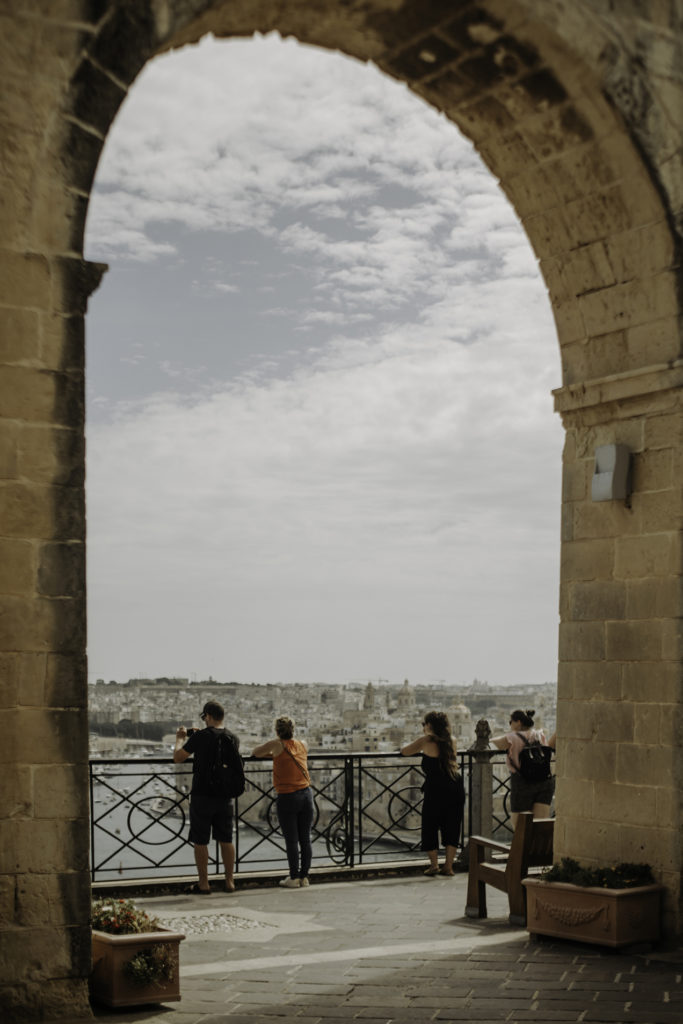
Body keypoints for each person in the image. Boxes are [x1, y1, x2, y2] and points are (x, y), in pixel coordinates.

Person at [173, 700, 240, 894]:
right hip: (226, 795)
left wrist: (180, 738)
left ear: (208, 716)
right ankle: (229, 882)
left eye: (204, 717)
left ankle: (204, 884)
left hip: (202, 794)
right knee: (226, 838)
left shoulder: (201, 737)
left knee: (200, 840)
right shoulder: (232, 737)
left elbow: (178, 757)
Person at [400, 711, 465, 876]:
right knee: (452, 825)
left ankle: (434, 865)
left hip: (436, 788)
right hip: (455, 785)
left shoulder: (426, 741)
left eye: (424, 724)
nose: (423, 727)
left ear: (430, 726)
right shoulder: (452, 740)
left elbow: (404, 751)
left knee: (430, 825)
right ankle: (448, 866)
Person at [252, 717, 314, 889]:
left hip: (288, 796)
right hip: (307, 794)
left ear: (277, 730)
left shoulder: (276, 745)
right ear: (293, 730)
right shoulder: (303, 744)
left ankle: (293, 877)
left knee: (292, 840)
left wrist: (272, 754)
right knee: (306, 839)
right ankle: (305, 877)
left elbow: (255, 752)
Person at [491, 709, 556, 830]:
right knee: (540, 825)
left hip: (523, 783)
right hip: (544, 781)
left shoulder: (512, 737)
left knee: (520, 828)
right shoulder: (539, 734)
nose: (510, 724)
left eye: (511, 721)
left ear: (518, 722)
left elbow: (492, 744)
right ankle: (538, 849)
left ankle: (524, 849)